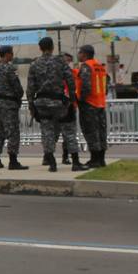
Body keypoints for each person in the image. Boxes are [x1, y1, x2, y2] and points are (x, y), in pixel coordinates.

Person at [27, 37, 85, 173]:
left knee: (47, 132)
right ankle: (75, 162)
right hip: (59, 102)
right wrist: (72, 99)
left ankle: (52, 163)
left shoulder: (34, 64)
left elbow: (30, 88)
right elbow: (70, 80)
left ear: (40, 48)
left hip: (42, 104)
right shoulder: (60, 62)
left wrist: (31, 106)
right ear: (52, 47)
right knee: (68, 131)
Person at [0, 45, 27, 170]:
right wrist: (19, 95)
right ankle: (13, 161)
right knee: (13, 132)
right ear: (7, 54)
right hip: (9, 105)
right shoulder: (10, 68)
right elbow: (17, 87)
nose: (12, 55)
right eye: (11, 53)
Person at [77, 44, 109, 168]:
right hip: (100, 103)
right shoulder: (100, 67)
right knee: (101, 132)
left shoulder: (86, 66)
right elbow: (105, 88)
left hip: (89, 104)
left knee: (91, 131)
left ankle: (94, 160)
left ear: (84, 54)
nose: (78, 55)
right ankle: (101, 159)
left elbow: (86, 86)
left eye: (79, 52)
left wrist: (81, 100)